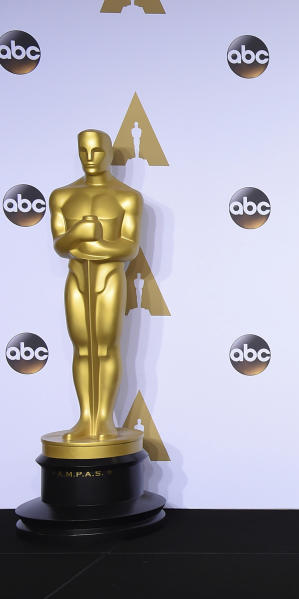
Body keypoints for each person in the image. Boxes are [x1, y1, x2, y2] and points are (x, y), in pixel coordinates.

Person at [49, 129, 142, 440]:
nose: (89, 159)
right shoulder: (62, 196)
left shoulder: (126, 197)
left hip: (109, 278)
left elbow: (129, 247)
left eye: (96, 152)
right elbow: (61, 245)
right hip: (77, 277)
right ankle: (85, 417)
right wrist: (79, 234)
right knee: (82, 348)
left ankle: (104, 419)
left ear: (109, 153)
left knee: (104, 346)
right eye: (83, 151)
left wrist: (93, 244)